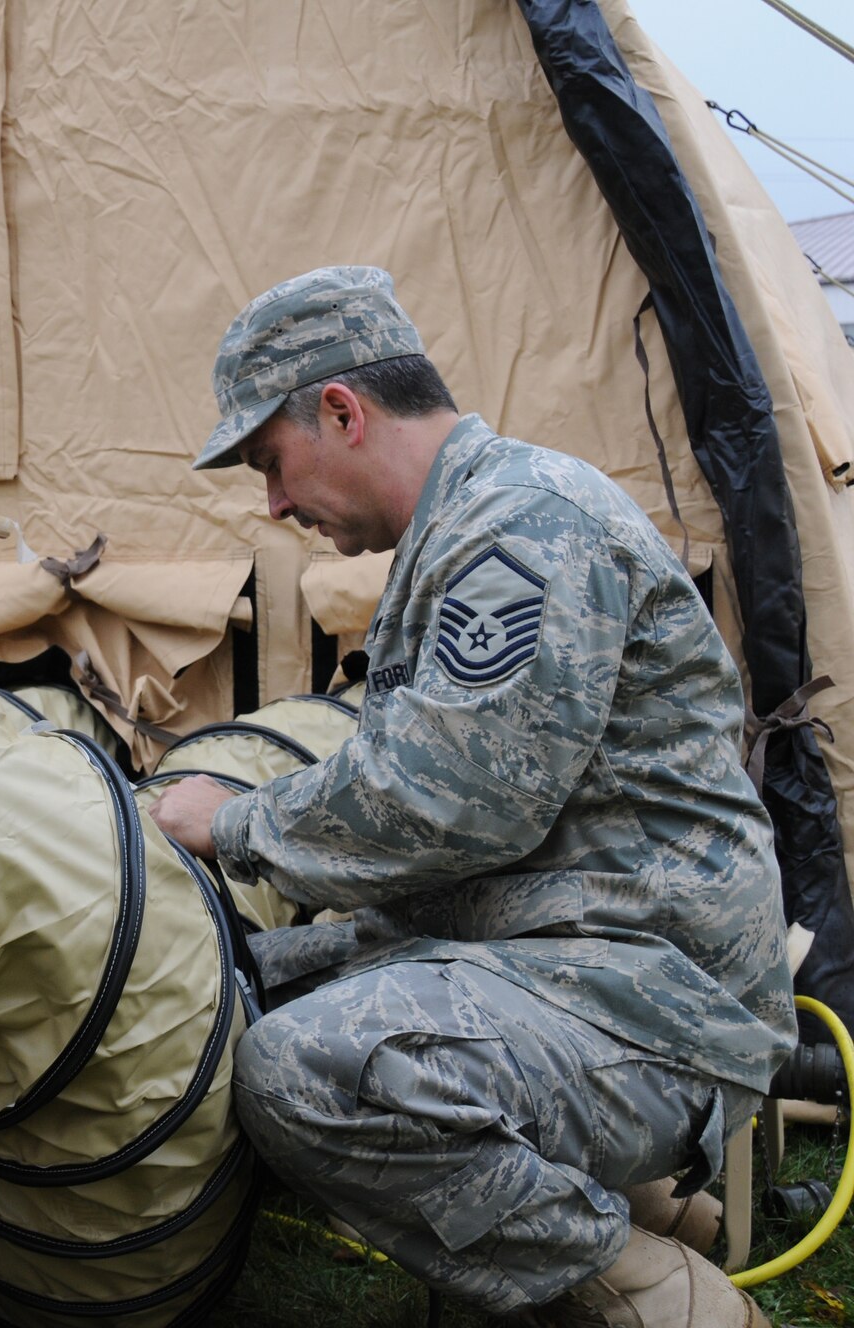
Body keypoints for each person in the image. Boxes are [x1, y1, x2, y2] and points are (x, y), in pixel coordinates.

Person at [149, 266, 794, 1327]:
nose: (270, 502)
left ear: (342, 411)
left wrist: (230, 822)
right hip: (565, 949)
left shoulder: (518, 528)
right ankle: (631, 1211)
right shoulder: (467, 525)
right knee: (240, 980)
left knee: (307, 1070)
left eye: (269, 460)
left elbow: (448, 802)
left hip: (651, 998)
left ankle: (665, 1300)